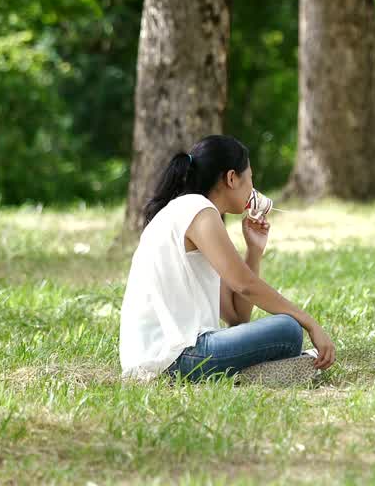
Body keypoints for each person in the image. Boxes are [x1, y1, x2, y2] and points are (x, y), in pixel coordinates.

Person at [119, 135, 336, 384]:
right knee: (288, 330)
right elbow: (244, 284)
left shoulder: (189, 211)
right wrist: (309, 322)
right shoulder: (198, 210)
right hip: (176, 357)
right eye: (250, 179)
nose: (252, 189)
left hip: (167, 357)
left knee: (284, 328)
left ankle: (248, 374)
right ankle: (253, 373)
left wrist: (254, 251)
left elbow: (237, 317)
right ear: (232, 178)